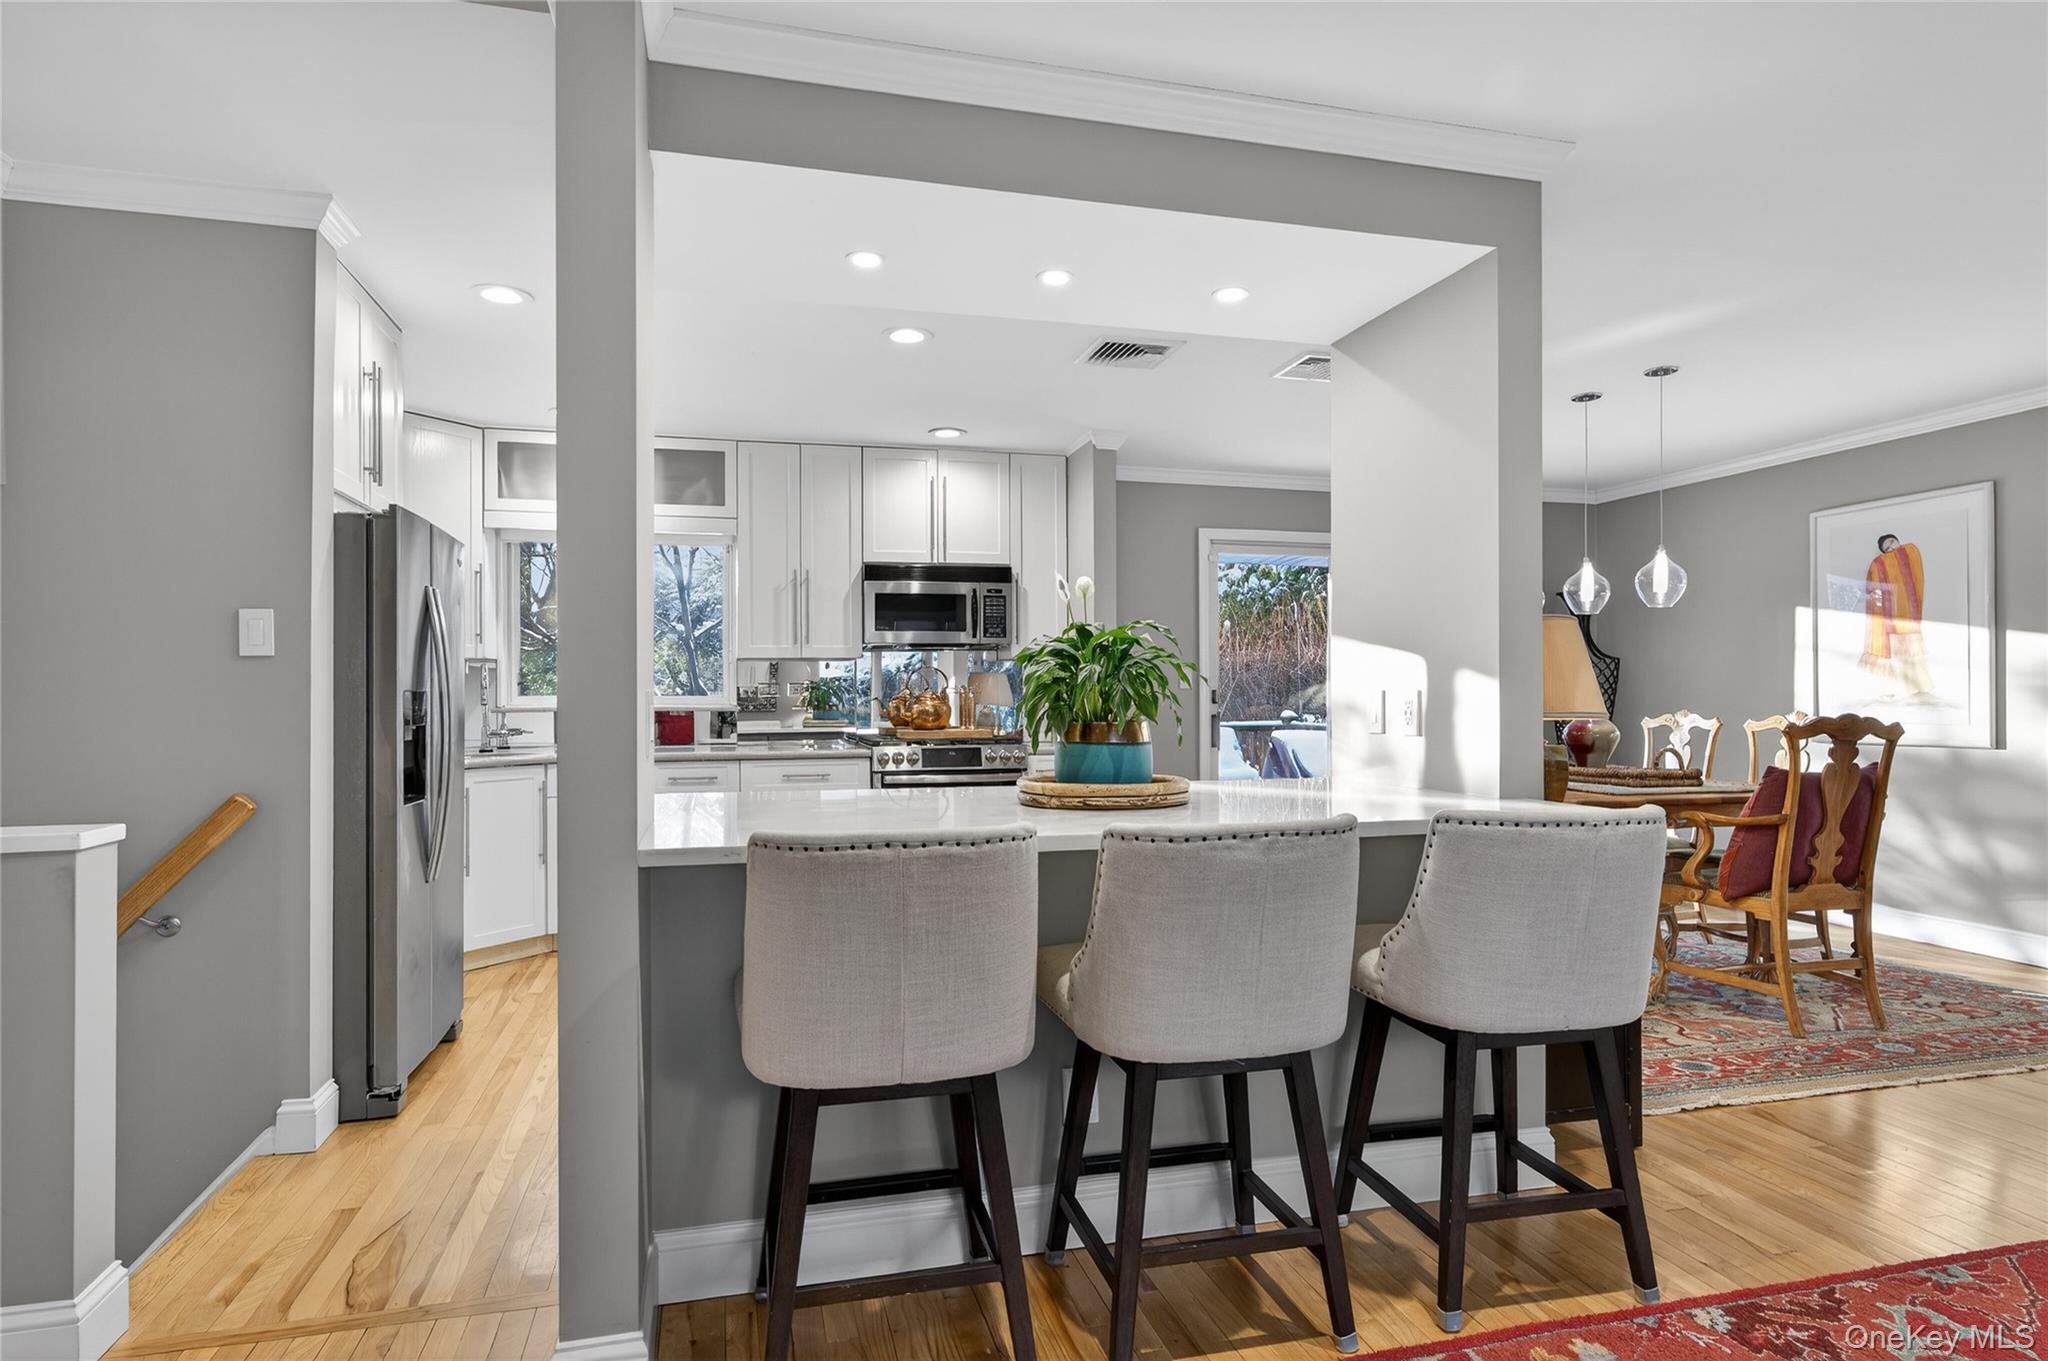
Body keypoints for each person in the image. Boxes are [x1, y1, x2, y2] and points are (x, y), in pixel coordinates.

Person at [1859, 532, 1934, 698]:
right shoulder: (1881, 563)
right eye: (1886, 548)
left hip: (1909, 613)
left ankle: (1921, 686)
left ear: (1898, 539)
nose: (1891, 547)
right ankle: (1901, 688)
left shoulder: (1910, 552)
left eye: (1892, 542)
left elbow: (1910, 556)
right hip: (1893, 616)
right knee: (1898, 655)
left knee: (1914, 652)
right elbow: (1875, 584)